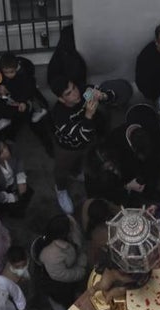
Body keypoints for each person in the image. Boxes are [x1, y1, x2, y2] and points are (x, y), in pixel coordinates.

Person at [51, 75, 134, 214]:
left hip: (91, 140)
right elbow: (81, 136)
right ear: (61, 99)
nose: (75, 93)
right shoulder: (60, 115)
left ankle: (78, 172)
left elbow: (111, 97)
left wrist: (103, 96)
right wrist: (88, 115)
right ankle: (61, 189)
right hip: (68, 146)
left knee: (89, 160)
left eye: (74, 87)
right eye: (69, 93)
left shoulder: (84, 92)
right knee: (61, 169)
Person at [37, 214, 89, 310]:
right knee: (65, 297)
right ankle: (62, 305)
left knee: (73, 288)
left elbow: (79, 246)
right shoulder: (51, 255)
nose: (74, 229)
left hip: (73, 266)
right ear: (62, 234)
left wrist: (82, 261)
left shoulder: (70, 223)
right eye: (70, 230)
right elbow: (62, 275)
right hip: (57, 282)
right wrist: (81, 271)